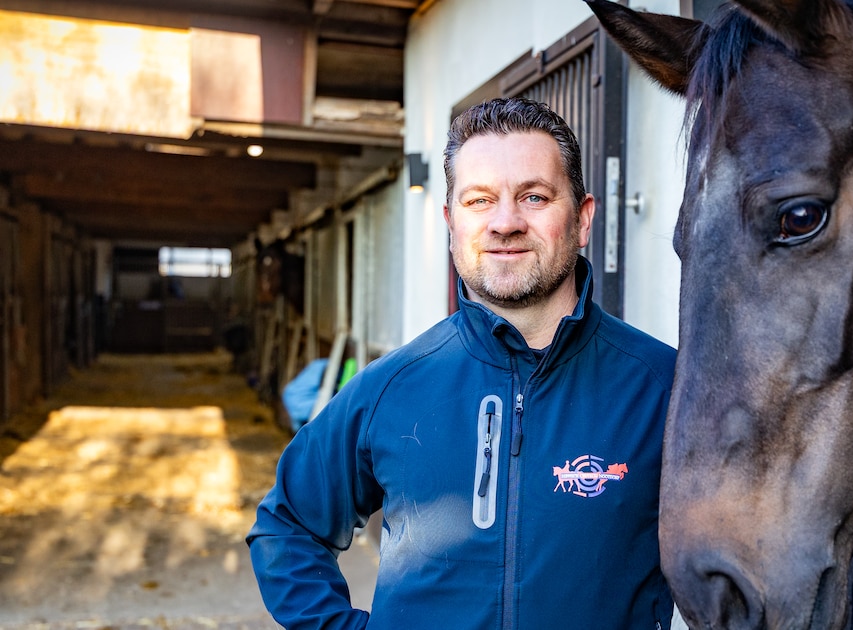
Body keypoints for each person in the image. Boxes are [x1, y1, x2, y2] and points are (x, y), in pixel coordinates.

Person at [246, 97, 677, 629]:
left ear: (583, 218)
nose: (505, 222)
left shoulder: (666, 389)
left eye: (535, 197)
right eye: (479, 201)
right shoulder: (391, 387)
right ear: (451, 222)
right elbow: (286, 527)